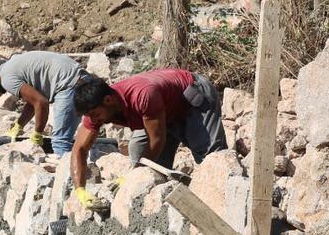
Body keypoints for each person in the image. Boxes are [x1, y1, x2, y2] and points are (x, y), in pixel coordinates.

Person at [68, 69, 227, 213]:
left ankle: (222, 205)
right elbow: (80, 149)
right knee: (142, 157)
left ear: (108, 100)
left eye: (95, 114)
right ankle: (163, 209)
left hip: (191, 97)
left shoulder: (142, 95)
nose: (94, 120)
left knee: (211, 159)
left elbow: (156, 139)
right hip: (161, 111)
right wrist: (80, 191)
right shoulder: (97, 109)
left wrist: (132, 177)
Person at [0, 51, 86, 155]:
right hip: (82, 78)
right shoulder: (10, 67)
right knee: (91, 128)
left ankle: (70, 177)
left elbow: (41, 103)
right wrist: (19, 125)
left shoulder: (6, 79)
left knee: (60, 142)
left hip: (69, 86)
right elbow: (33, 102)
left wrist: (37, 134)